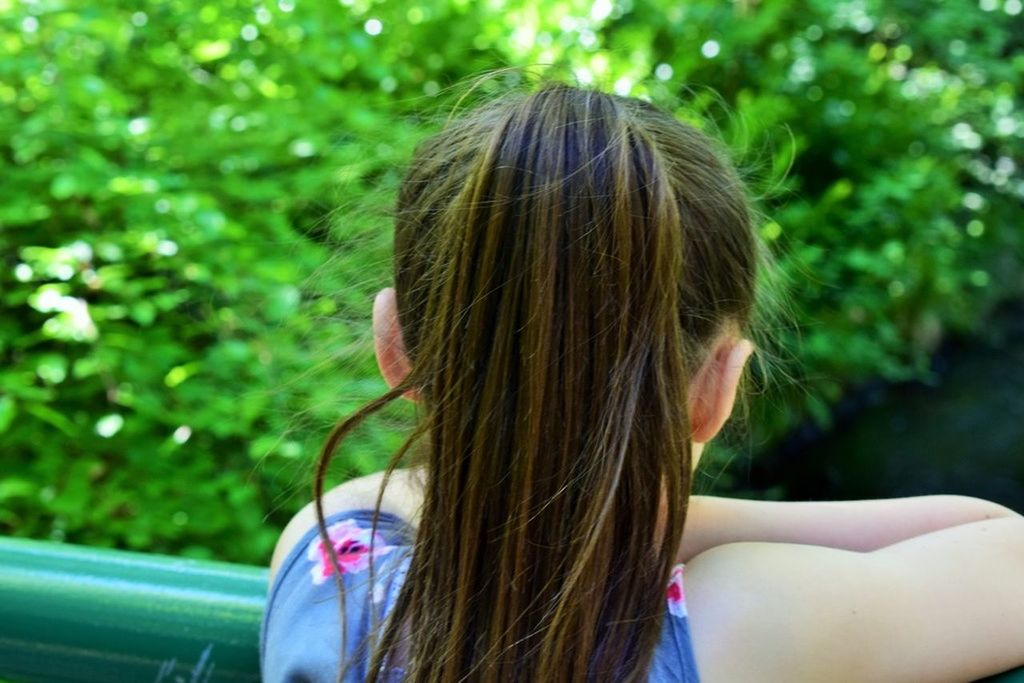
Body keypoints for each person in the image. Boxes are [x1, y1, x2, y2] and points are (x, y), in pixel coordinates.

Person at [260, 81, 1024, 682]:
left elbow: (429, 500)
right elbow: (1001, 544)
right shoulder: (741, 626)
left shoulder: (331, 559)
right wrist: (634, 505)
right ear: (716, 389)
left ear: (394, 345)